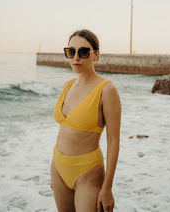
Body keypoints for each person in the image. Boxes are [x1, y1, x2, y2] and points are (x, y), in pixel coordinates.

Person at [51, 29, 121, 212]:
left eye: (83, 52)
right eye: (70, 51)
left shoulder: (107, 90)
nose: (76, 58)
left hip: (87, 173)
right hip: (58, 168)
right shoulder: (68, 86)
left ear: (96, 55)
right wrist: (55, 168)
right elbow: (63, 131)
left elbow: (113, 141)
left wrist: (107, 188)